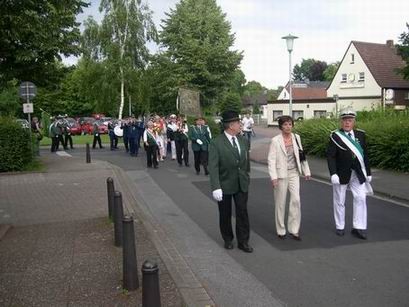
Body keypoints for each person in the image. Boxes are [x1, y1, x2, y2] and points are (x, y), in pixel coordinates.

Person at [208, 110, 253, 253]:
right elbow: (213, 166)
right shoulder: (216, 142)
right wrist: (216, 186)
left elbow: (246, 161)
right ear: (230, 125)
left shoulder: (243, 140)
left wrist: (246, 174)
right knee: (225, 213)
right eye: (238, 123)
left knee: (242, 212)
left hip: (241, 183)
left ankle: (243, 241)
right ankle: (228, 238)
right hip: (224, 183)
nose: (241, 125)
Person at [327, 109, 372, 240]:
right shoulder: (335, 136)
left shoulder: (361, 135)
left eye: (350, 120)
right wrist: (333, 173)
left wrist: (368, 172)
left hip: (358, 172)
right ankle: (340, 225)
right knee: (340, 200)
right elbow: (331, 157)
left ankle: (358, 227)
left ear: (354, 121)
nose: (347, 122)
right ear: (341, 122)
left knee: (361, 198)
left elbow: (365, 155)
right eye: (345, 120)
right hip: (341, 173)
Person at [267, 116, 311, 241]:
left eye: (290, 124)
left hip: (294, 173)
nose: (288, 127)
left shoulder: (297, 138)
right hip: (281, 175)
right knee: (280, 203)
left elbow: (302, 155)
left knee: (296, 200)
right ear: (281, 126)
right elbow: (271, 160)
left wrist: (306, 170)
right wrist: (273, 177)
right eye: (285, 124)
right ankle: (281, 230)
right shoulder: (275, 141)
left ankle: (294, 230)